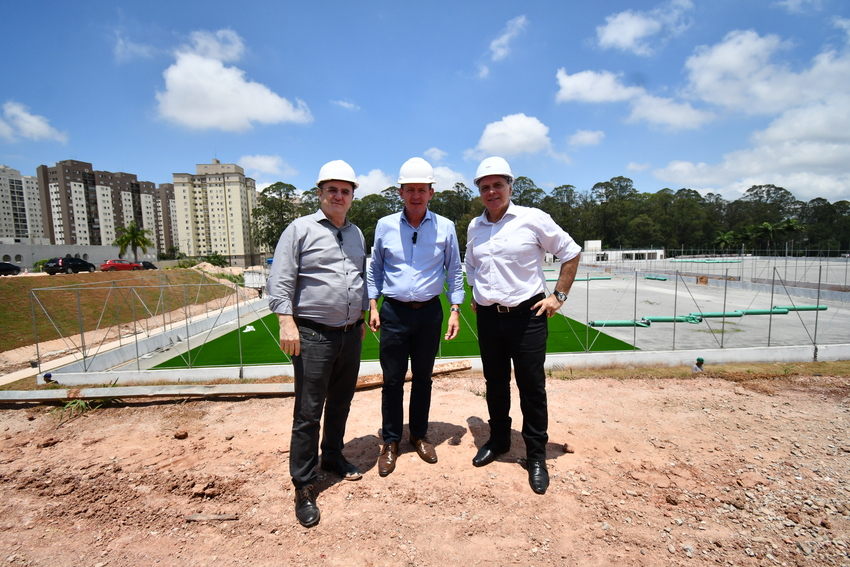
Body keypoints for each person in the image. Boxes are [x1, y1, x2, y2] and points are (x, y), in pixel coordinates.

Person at [465, 156, 581, 495]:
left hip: (527, 316)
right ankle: (499, 440)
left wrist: (558, 296)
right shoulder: (475, 226)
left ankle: (535, 455)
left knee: (531, 386)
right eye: (485, 187)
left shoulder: (532, 219)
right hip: (489, 317)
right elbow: (471, 264)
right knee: (495, 382)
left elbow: (570, 252)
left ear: (510, 187)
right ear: (480, 192)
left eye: (497, 185)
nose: (491, 191)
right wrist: (477, 291)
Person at [266, 160, 369, 528]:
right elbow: (280, 278)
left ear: (352, 196)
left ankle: (333, 457)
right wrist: (285, 320)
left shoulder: (356, 233)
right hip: (311, 334)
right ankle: (304, 485)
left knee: (341, 402)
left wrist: (362, 312)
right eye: (332, 190)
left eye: (345, 190)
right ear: (320, 193)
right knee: (309, 412)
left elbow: (359, 277)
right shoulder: (300, 229)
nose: (339, 196)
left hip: (349, 333)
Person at [367, 157, 465, 477]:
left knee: (423, 378)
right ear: (400, 192)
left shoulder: (445, 227)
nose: (416, 195)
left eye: (422, 189)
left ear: (431, 193)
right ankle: (392, 441)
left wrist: (454, 309)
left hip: (429, 313)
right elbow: (375, 268)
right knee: (392, 380)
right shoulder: (385, 225)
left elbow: (454, 270)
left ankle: (419, 435)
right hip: (393, 311)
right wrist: (372, 304)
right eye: (410, 189)